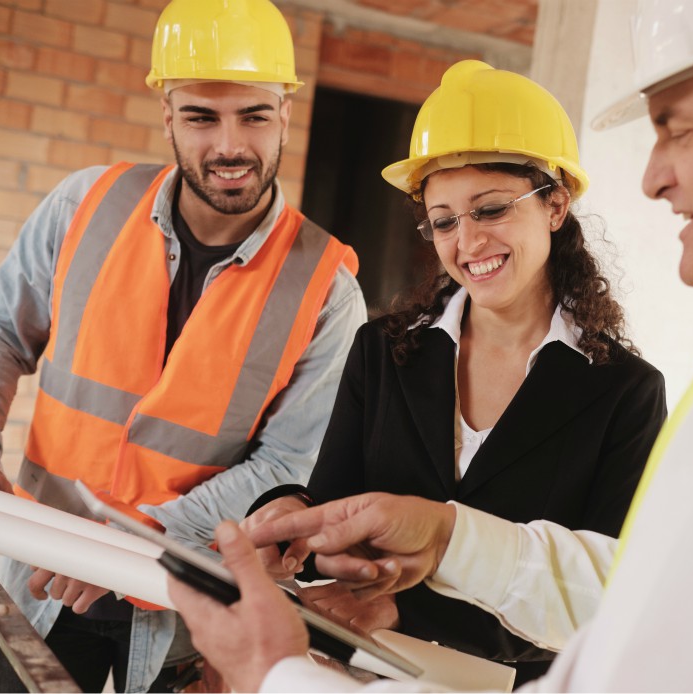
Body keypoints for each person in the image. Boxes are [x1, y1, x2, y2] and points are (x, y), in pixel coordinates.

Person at [169, 0, 693, 691]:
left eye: (677, 127)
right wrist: (444, 538)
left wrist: (281, 675)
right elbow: (635, 596)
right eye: (442, 220)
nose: (651, 177)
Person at [0, 0, 366, 691]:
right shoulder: (83, 206)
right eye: (201, 117)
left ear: (285, 113)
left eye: (254, 115)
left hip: (190, 607)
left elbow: (288, 461)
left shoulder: (328, 291)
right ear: (167, 114)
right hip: (44, 581)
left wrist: (130, 539)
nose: (230, 146)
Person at [239, 59, 667, 686]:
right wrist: (287, 516)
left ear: (555, 204)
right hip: (366, 677)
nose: (467, 243)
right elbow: (334, 515)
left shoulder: (626, 392)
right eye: (443, 221)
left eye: (490, 210)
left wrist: (407, 609)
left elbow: (603, 594)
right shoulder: (382, 352)